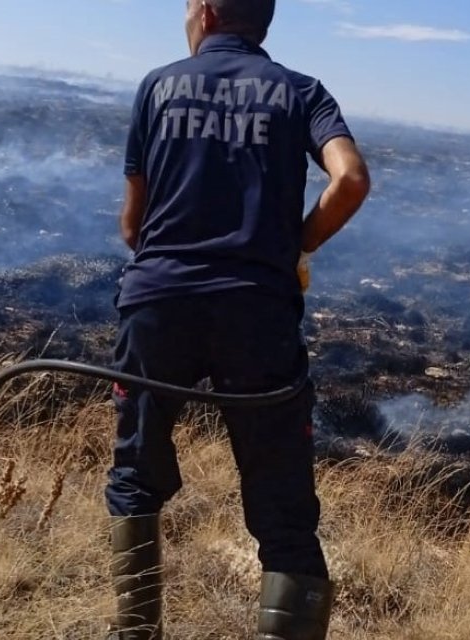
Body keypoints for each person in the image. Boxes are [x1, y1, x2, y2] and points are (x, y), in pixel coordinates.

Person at [104, 0, 370, 638]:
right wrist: (294, 248)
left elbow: (133, 226)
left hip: (156, 305)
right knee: (283, 512)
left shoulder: (158, 85)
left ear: (205, 11)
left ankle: (134, 631)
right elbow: (351, 179)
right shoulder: (303, 92)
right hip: (258, 314)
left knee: (136, 476)